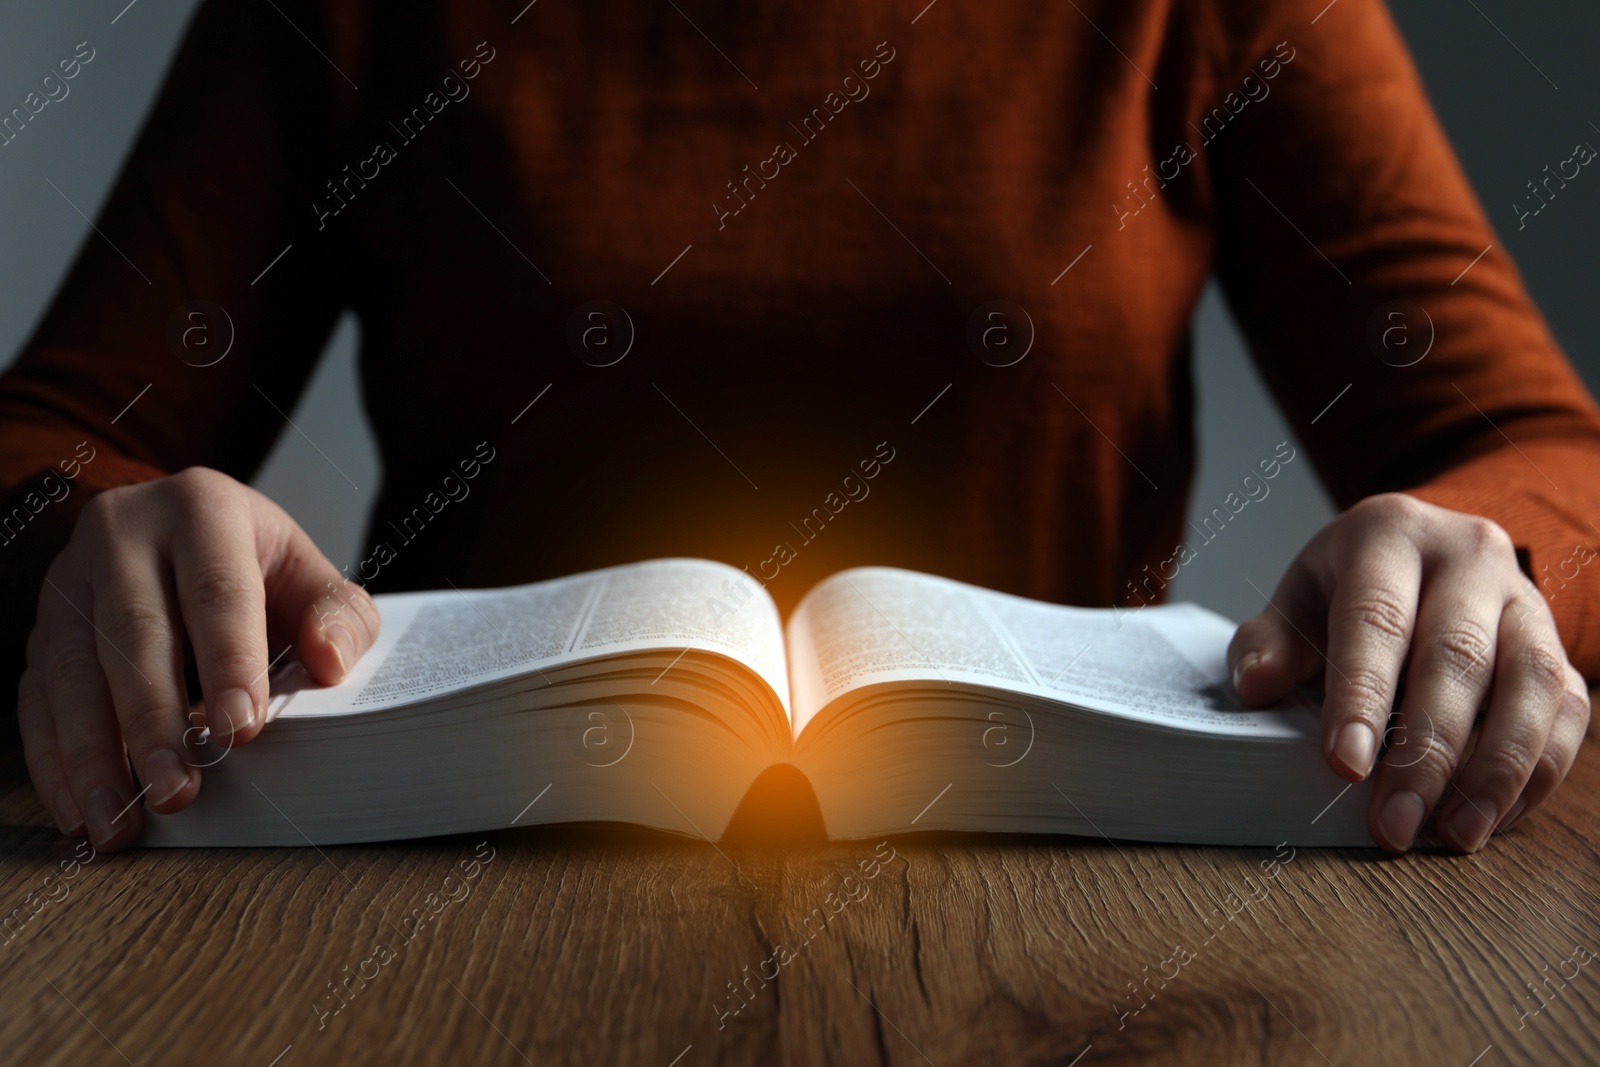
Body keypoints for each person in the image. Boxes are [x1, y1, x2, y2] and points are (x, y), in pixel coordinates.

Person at [0, 0, 1594, 855]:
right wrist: (91, 537)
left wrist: (1480, 561)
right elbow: (52, 432)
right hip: (462, 879)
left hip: (1088, 884)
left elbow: (1543, 451)